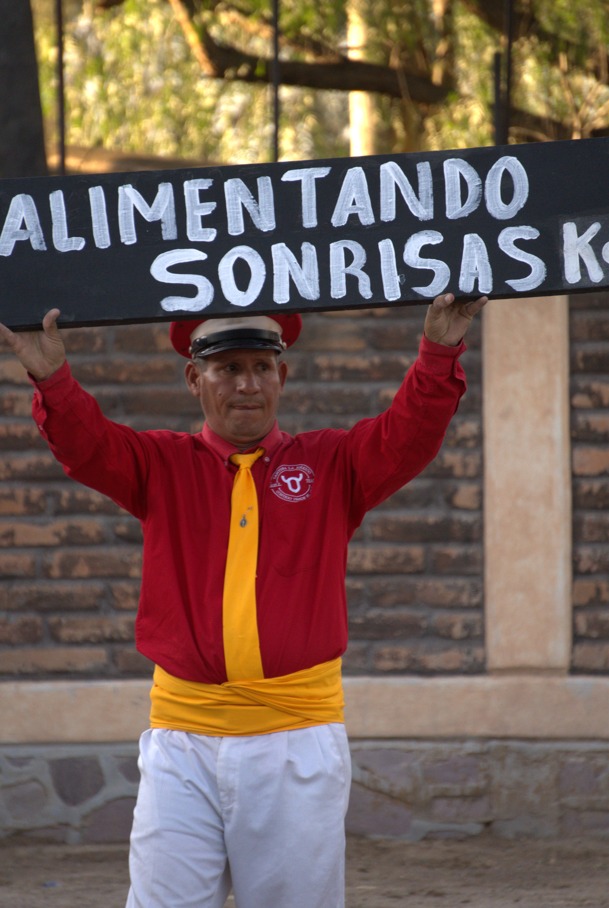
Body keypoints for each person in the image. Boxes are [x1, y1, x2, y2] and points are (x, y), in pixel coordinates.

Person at [0, 291, 487, 908]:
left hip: (296, 742)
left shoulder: (331, 462)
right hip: (182, 743)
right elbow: (86, 443)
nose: (247, 384)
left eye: (260, 367)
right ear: (194, 379)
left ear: (281, 376)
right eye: (227, 368)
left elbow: (409, 436)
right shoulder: (159, 464)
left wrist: (438, 349)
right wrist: (51, 376)